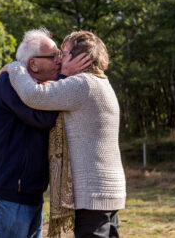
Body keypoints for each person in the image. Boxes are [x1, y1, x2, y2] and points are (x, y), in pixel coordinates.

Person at [7, 31, 126, 237]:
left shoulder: (83, 84)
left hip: (92, 194)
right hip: (108, 191)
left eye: (64, 53)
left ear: (78, 58)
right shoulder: (102, 82)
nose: (60, 59)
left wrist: (15, 67)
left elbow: (34, 95)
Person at [0, 28, 89, 238]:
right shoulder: (9, 83)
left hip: (30, 192)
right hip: (10, 191)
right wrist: (64, 76)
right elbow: (43, 119)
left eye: (60, 54)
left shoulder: (39, 86)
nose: (59, 61)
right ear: (33, 64)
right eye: (53, 56)